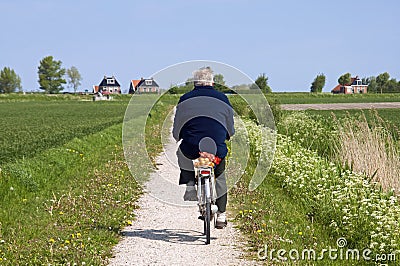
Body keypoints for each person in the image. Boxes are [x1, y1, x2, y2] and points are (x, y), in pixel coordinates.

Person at [172, 67, 235, 229]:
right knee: (220, 176)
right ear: (212, 82)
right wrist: (226, 137)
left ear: (195, 83)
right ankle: (221, 215)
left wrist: (178, 136)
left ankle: (190, 186)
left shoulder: (185, 98)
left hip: (193, 147)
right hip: (216, 149)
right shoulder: (223, 98)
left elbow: (177, 127)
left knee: (181, 152)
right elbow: (230, 129)